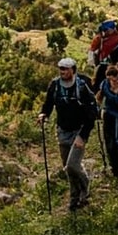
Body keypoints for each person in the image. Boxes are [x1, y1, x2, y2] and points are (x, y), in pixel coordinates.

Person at [40, 55, 98, 210]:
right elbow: (49, 104)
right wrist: (43, 114)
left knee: (73, 165)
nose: (62, 71)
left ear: (73, 70)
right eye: (60, 68)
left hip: (79, 130)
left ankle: (85, 187)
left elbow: (92, 113)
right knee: (67, 166)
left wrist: (83, 136)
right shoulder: (55, 85)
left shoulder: (81, 87)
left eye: (65, 69)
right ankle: (74, 198)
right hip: (62, 130)